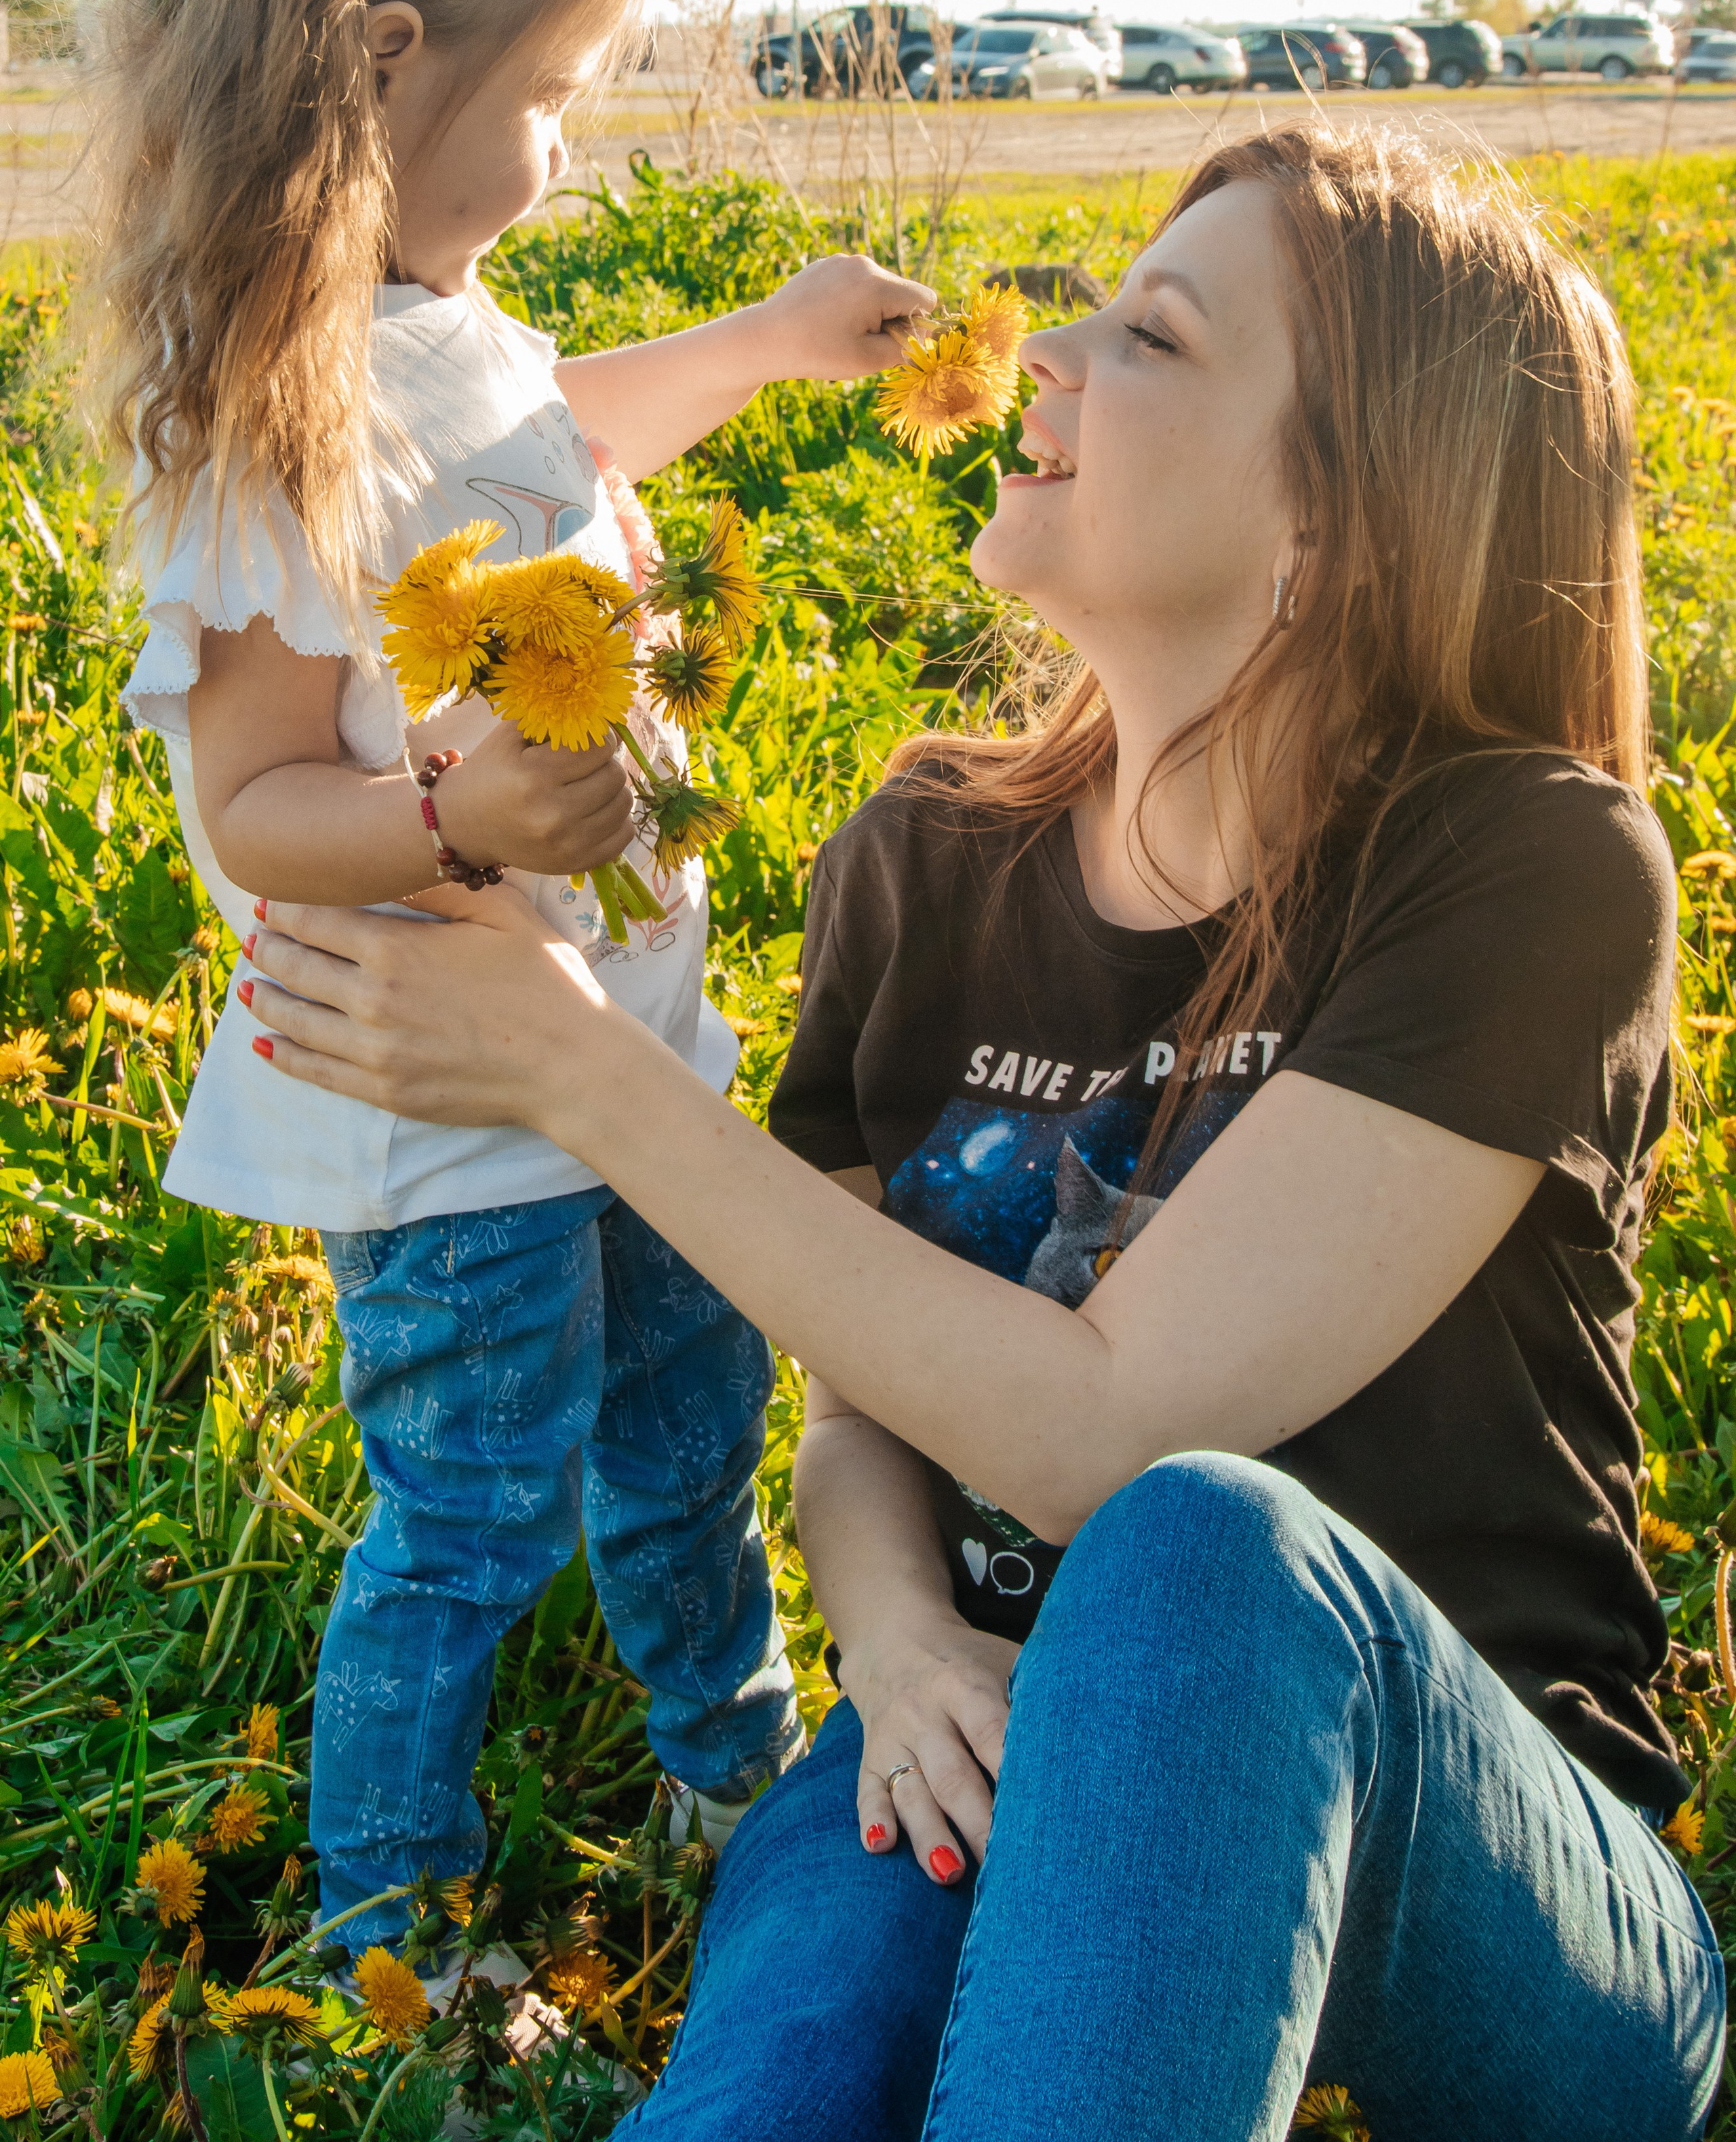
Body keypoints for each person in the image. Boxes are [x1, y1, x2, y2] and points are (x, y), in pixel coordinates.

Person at [237, 123, 1724, 2139]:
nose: (1048, 357)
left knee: (1202, 1554)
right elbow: (862, 1414)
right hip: (981, 1748)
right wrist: (905, 1637)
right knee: (803, 2030)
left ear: (1344, 516)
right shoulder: (924, 856)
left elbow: (1103, 1430)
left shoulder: (1528, 867)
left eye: (1156, 340)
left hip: (1482, 1873)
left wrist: (583, 1069)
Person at [95, 0, 933, 1970]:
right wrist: (452, 800)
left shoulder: (448, 318)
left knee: (687, 1427)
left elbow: (562, 432)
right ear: (379, 67)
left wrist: (761, 338)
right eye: (549, 96)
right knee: (466, 1513)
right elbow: (257, 805)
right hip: (454, 1110)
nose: (563, 148)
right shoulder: (272, 418)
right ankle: (393, 1926)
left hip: (619, 1057)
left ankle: (729, 1775)